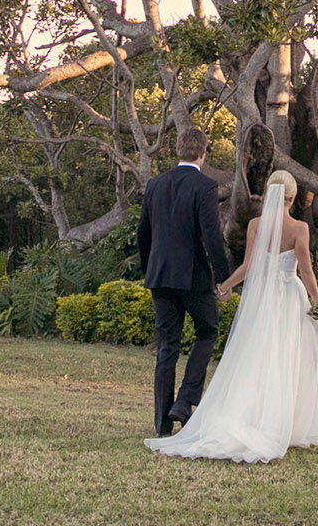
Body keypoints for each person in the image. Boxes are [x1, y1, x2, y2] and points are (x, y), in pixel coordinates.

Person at [145, 169, 318, 463]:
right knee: (286, 358)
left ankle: (251, 416)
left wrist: (225, 286)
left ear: (268, 195)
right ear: (292, 198)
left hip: (262, 299)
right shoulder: (299, 229)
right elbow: (306, 272)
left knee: (256, 355)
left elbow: (248, 266)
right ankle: (278, 421)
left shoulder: (256, 225)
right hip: (289, 297)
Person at [137, 129, 231, 437]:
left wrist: (149, 269)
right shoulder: (204, 186)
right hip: (192, 277)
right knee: (207, 331)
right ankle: (185, 399)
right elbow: (212, 236)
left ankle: (161, 422)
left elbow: (143, 234)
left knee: (167, 347)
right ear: (203, 152)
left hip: (160, 277)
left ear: (178, 150)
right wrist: (223, 277)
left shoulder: (155, 185)